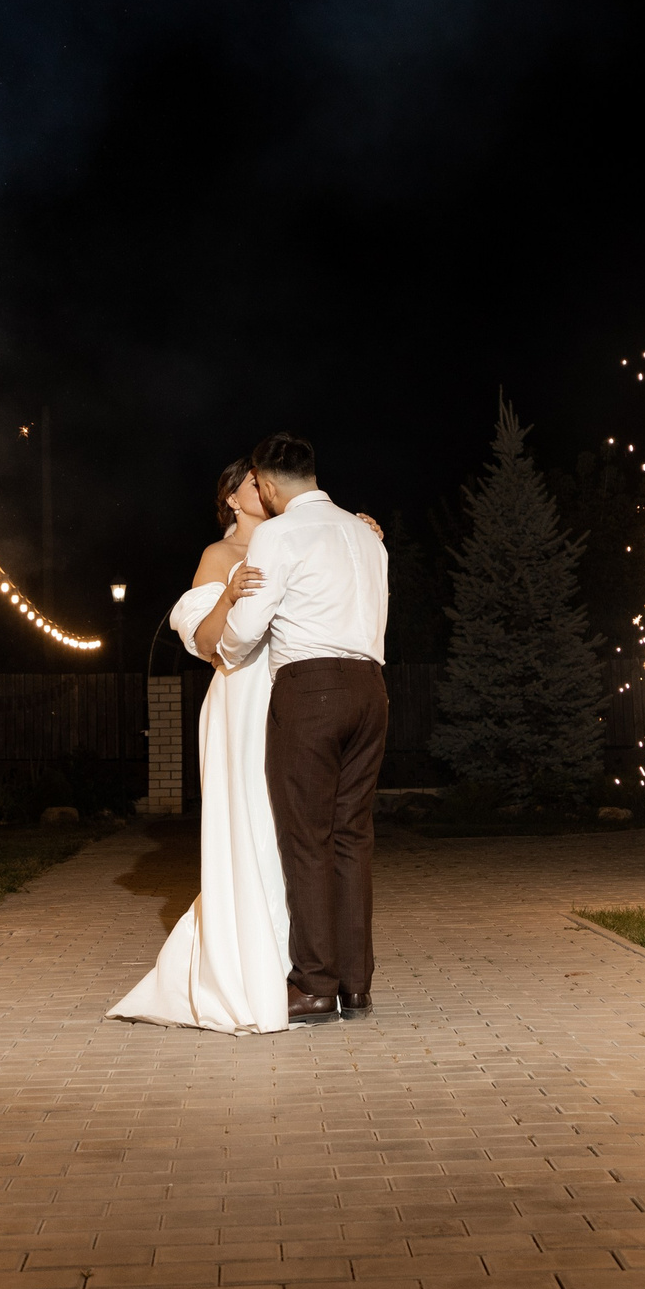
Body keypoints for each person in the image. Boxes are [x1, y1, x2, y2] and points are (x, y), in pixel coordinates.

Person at [109, 461, 296, 1034]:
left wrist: (358, 532)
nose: (264, 489)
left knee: (291, 833)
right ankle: (243, 973)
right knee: (252, 828)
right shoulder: (218, 556)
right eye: (252, 483)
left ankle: (294, 968)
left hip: (292, 693)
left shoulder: (294, 541)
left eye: (267, 480)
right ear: (233, 498)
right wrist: (231, 592)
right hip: (240, 699)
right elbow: (207, 644)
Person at [216, 432, 390, 1023]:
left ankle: (314, 985)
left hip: (311, 690)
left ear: (264, 483)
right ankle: (357, 986)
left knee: (308, 839)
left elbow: (246, 628)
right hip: (372, 688)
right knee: (353, 837)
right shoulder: (368, 536)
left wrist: (228, 641)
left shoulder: (276, 533)